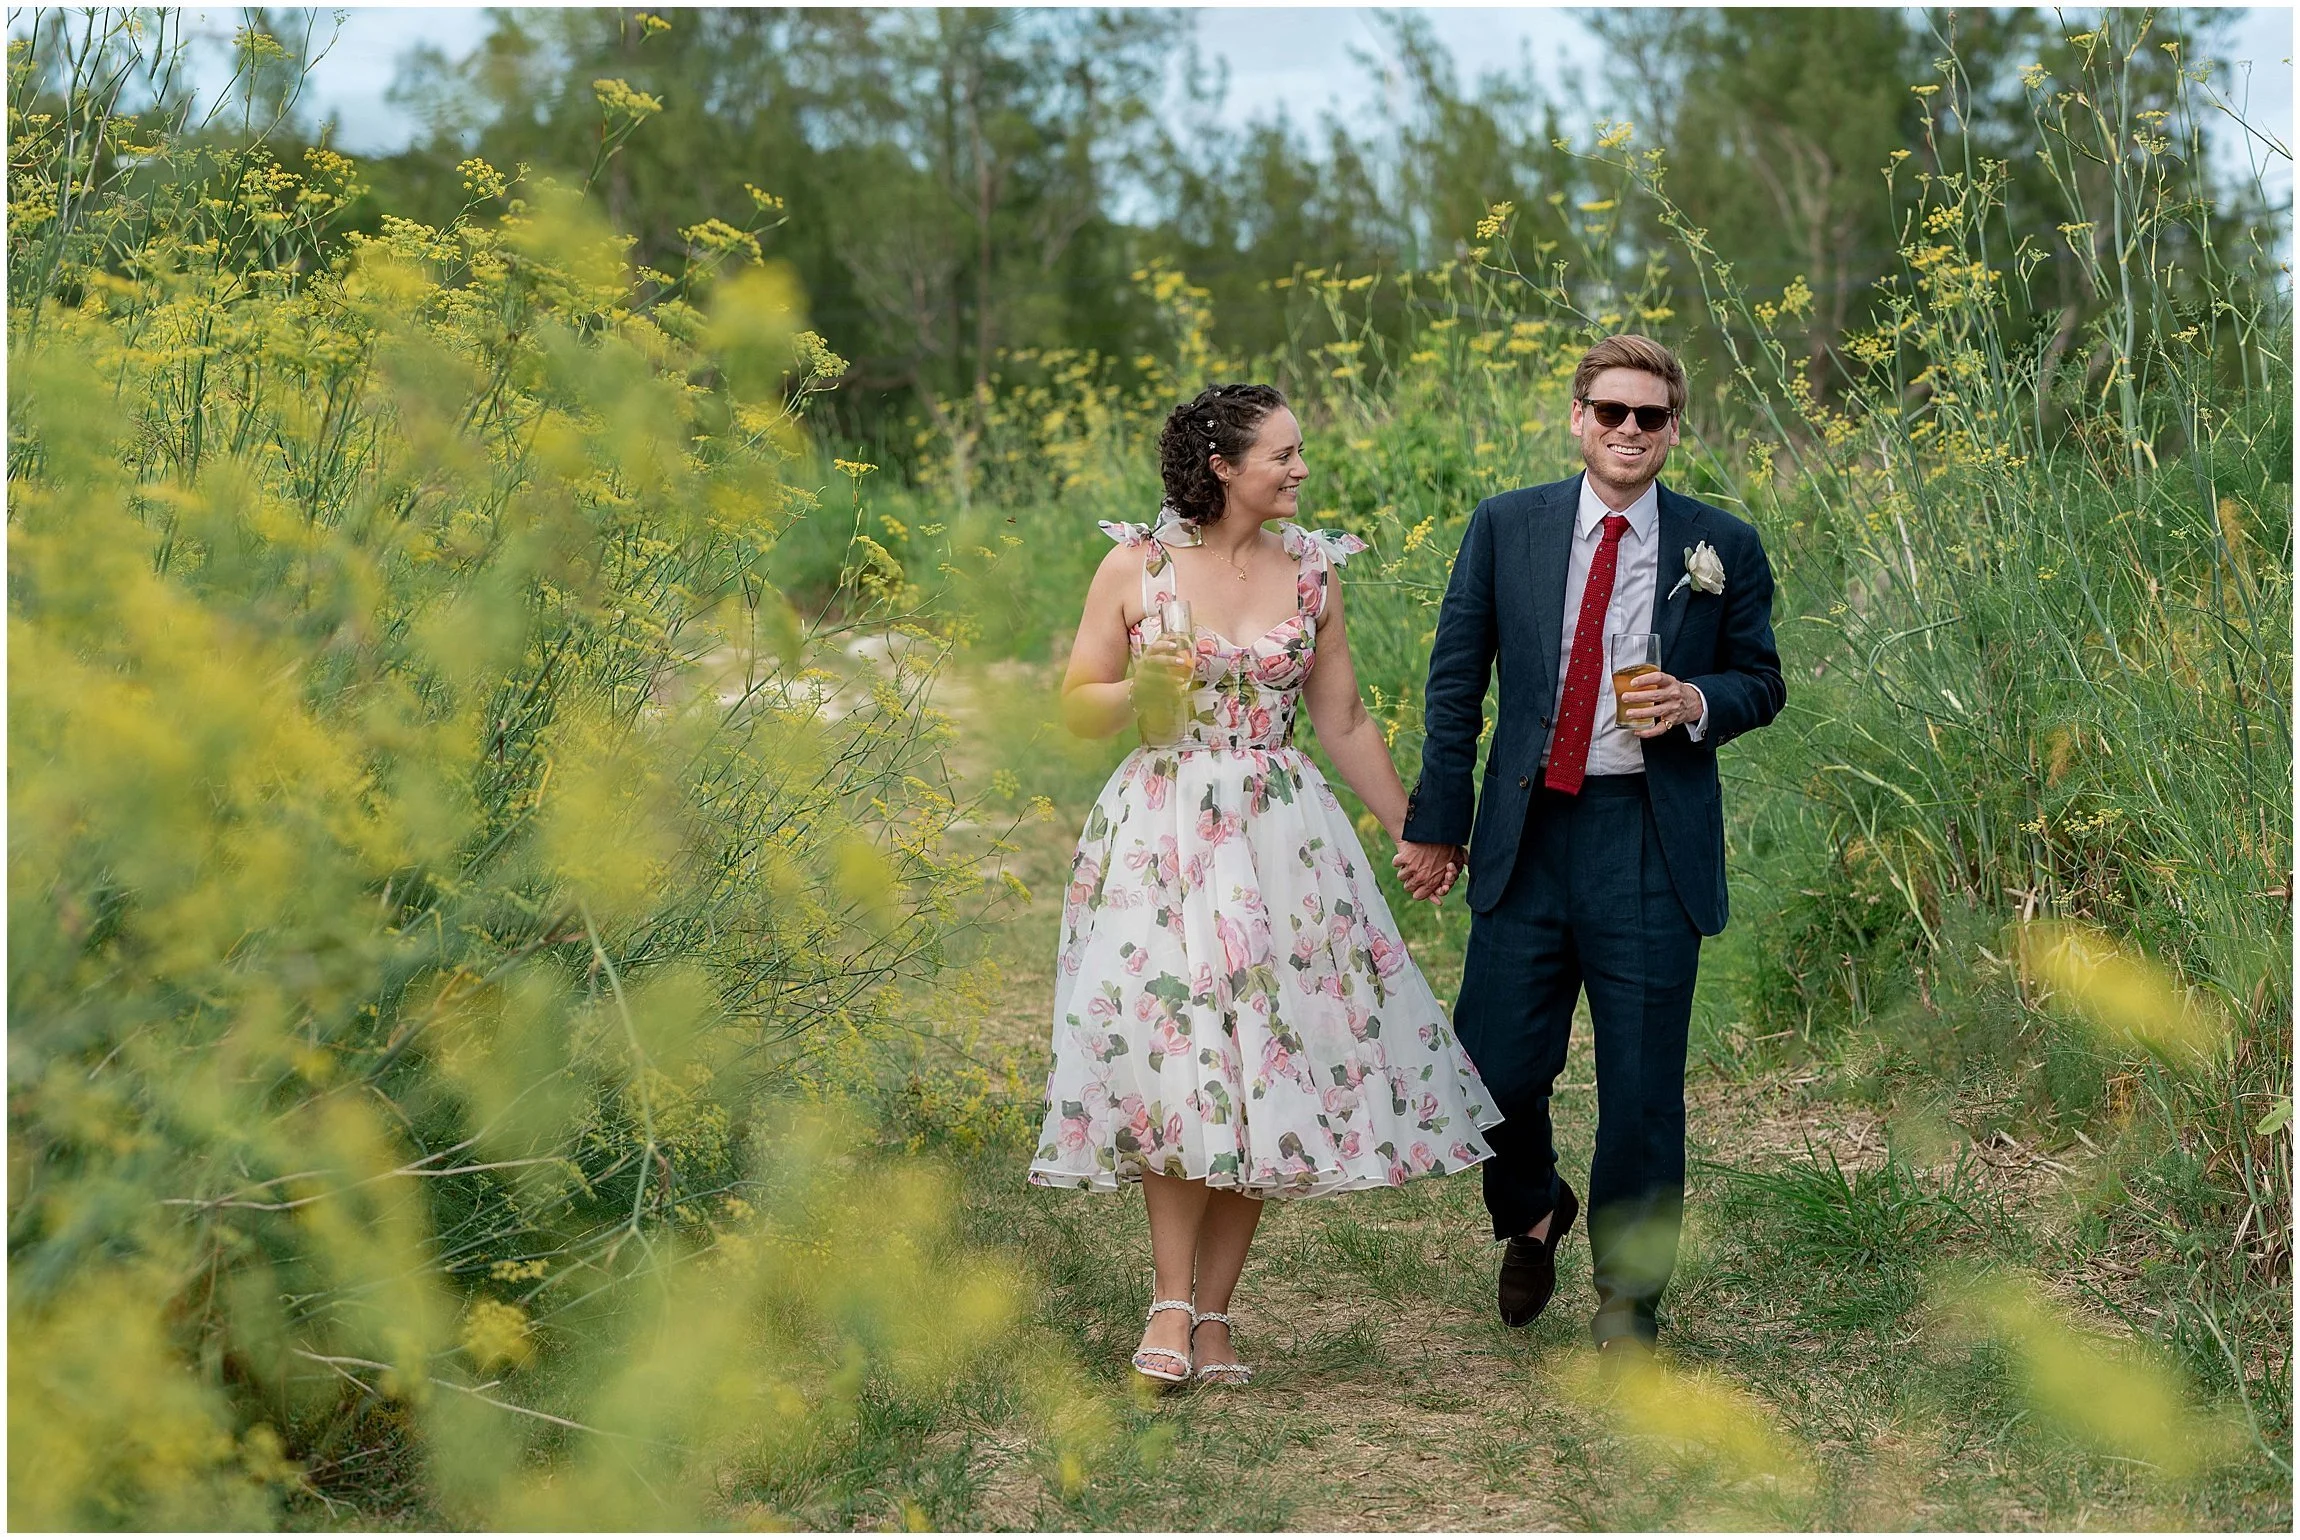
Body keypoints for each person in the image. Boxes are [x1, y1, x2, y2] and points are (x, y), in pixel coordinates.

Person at [1029, 383, 1500, 1390]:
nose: (1298, 469)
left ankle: (1214, 1313)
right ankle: (1164, 1301)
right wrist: (1140, 690)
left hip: (1280, 839)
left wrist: (1414, 830)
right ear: (1221, 467)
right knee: (1174, 1057)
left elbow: (1342, 721)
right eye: (1280, 455)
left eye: (1297, 453)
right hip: (1161, 831)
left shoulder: (1313, 571)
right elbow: (1076, 708)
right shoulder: (1135, 567)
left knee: (1266, 1063)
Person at [1394, 335, 1784, 1354]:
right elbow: (1453, 683)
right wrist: (1437, 822)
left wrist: (1700, 698)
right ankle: (1530, 1208)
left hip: (1649, 839)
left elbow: (1761, 678)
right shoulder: (1504, 526)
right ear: (1575, 417)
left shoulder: (1720, 546)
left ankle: (1626, 1301)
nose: (1625, 430)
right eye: (1607, 411)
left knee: (1642, 1088)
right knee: (1488, 1069)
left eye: (1646, 417)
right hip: (1529, 832)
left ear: (1671, 430)